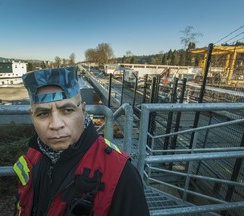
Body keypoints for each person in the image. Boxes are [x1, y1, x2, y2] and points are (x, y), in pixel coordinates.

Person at [13, 67, 150, 216]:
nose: (56, 124)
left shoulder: (121, 174)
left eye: (67, 110)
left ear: (83, 111)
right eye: (43, 113)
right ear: (32, 116)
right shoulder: (33, 155)